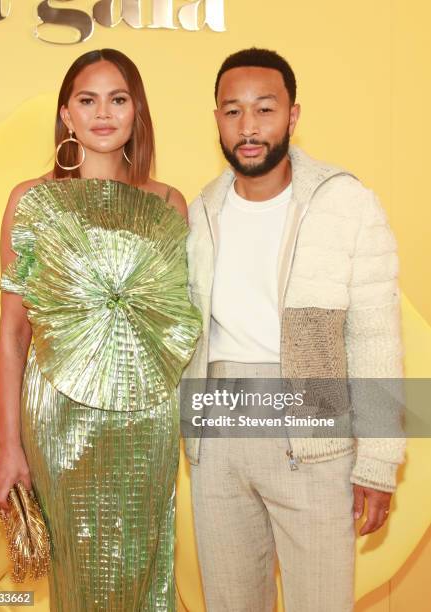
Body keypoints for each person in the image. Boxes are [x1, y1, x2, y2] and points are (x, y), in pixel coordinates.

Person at [183, 48, 406, 612]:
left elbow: (375, 336)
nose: (249, 127)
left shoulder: (346, 203)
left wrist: (378, 461)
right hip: (219, 436)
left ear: (293, 114)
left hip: (312, 432)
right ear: (216, 119)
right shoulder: (200, 212)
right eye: (233, 112)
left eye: (265, 109)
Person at [0, 48, 201, 611]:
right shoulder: (30, 201)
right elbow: (13, 334)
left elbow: (176, 323)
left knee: (143, 562)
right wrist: (9, 446)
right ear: (66, 114)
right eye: (87, 99)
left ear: (137, 112)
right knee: (79, 569)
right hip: (55, 413)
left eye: (118, 99)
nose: (102, 113)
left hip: (147, 416)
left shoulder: (168, 204)